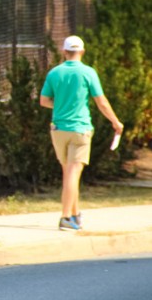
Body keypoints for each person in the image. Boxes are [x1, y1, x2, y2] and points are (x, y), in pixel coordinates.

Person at [39, 35, 123, 231]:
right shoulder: (88, 73)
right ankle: (65, 217)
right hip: (80, 129)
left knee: (68, 172)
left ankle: (75, 215)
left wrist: (59, 106)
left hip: (58, 129)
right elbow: (101, 102)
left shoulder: (54, 73)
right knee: (73, 173)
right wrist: (115, 122)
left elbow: (43, 101)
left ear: (64, 52)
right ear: (82, 52)